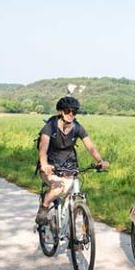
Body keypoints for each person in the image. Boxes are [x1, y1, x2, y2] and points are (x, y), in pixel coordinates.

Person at [36, 96, 109, 224]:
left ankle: (73, 233)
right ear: (60, 111)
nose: (71, 114)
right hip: (50, 166)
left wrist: (100, 161)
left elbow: (90, 146)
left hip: (69, 165)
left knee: (74, 195)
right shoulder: (50, 127)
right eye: (67, 111)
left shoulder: (77, 127)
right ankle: (44, 207)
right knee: (58, 188)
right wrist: (44, 165)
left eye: (74, 112)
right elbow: (43, 149)